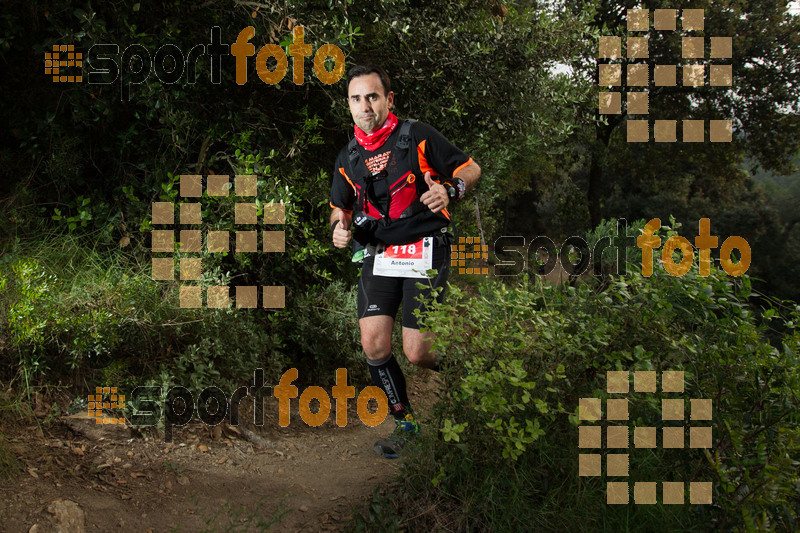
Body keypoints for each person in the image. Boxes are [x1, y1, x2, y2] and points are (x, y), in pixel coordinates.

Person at [329, 65, 481, 458]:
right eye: (356, 98)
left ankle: (471, 372)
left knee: (418, 352)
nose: (365, 106)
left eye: (373, 96)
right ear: (348, 104)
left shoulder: (417, 136)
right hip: (379, 253)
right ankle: (407, 426)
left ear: (388, 99)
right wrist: (339, 229)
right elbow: (338, 210)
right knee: (374, 344)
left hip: (425, 246)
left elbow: (471, 168)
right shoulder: (348, 156)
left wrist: (451, 190)